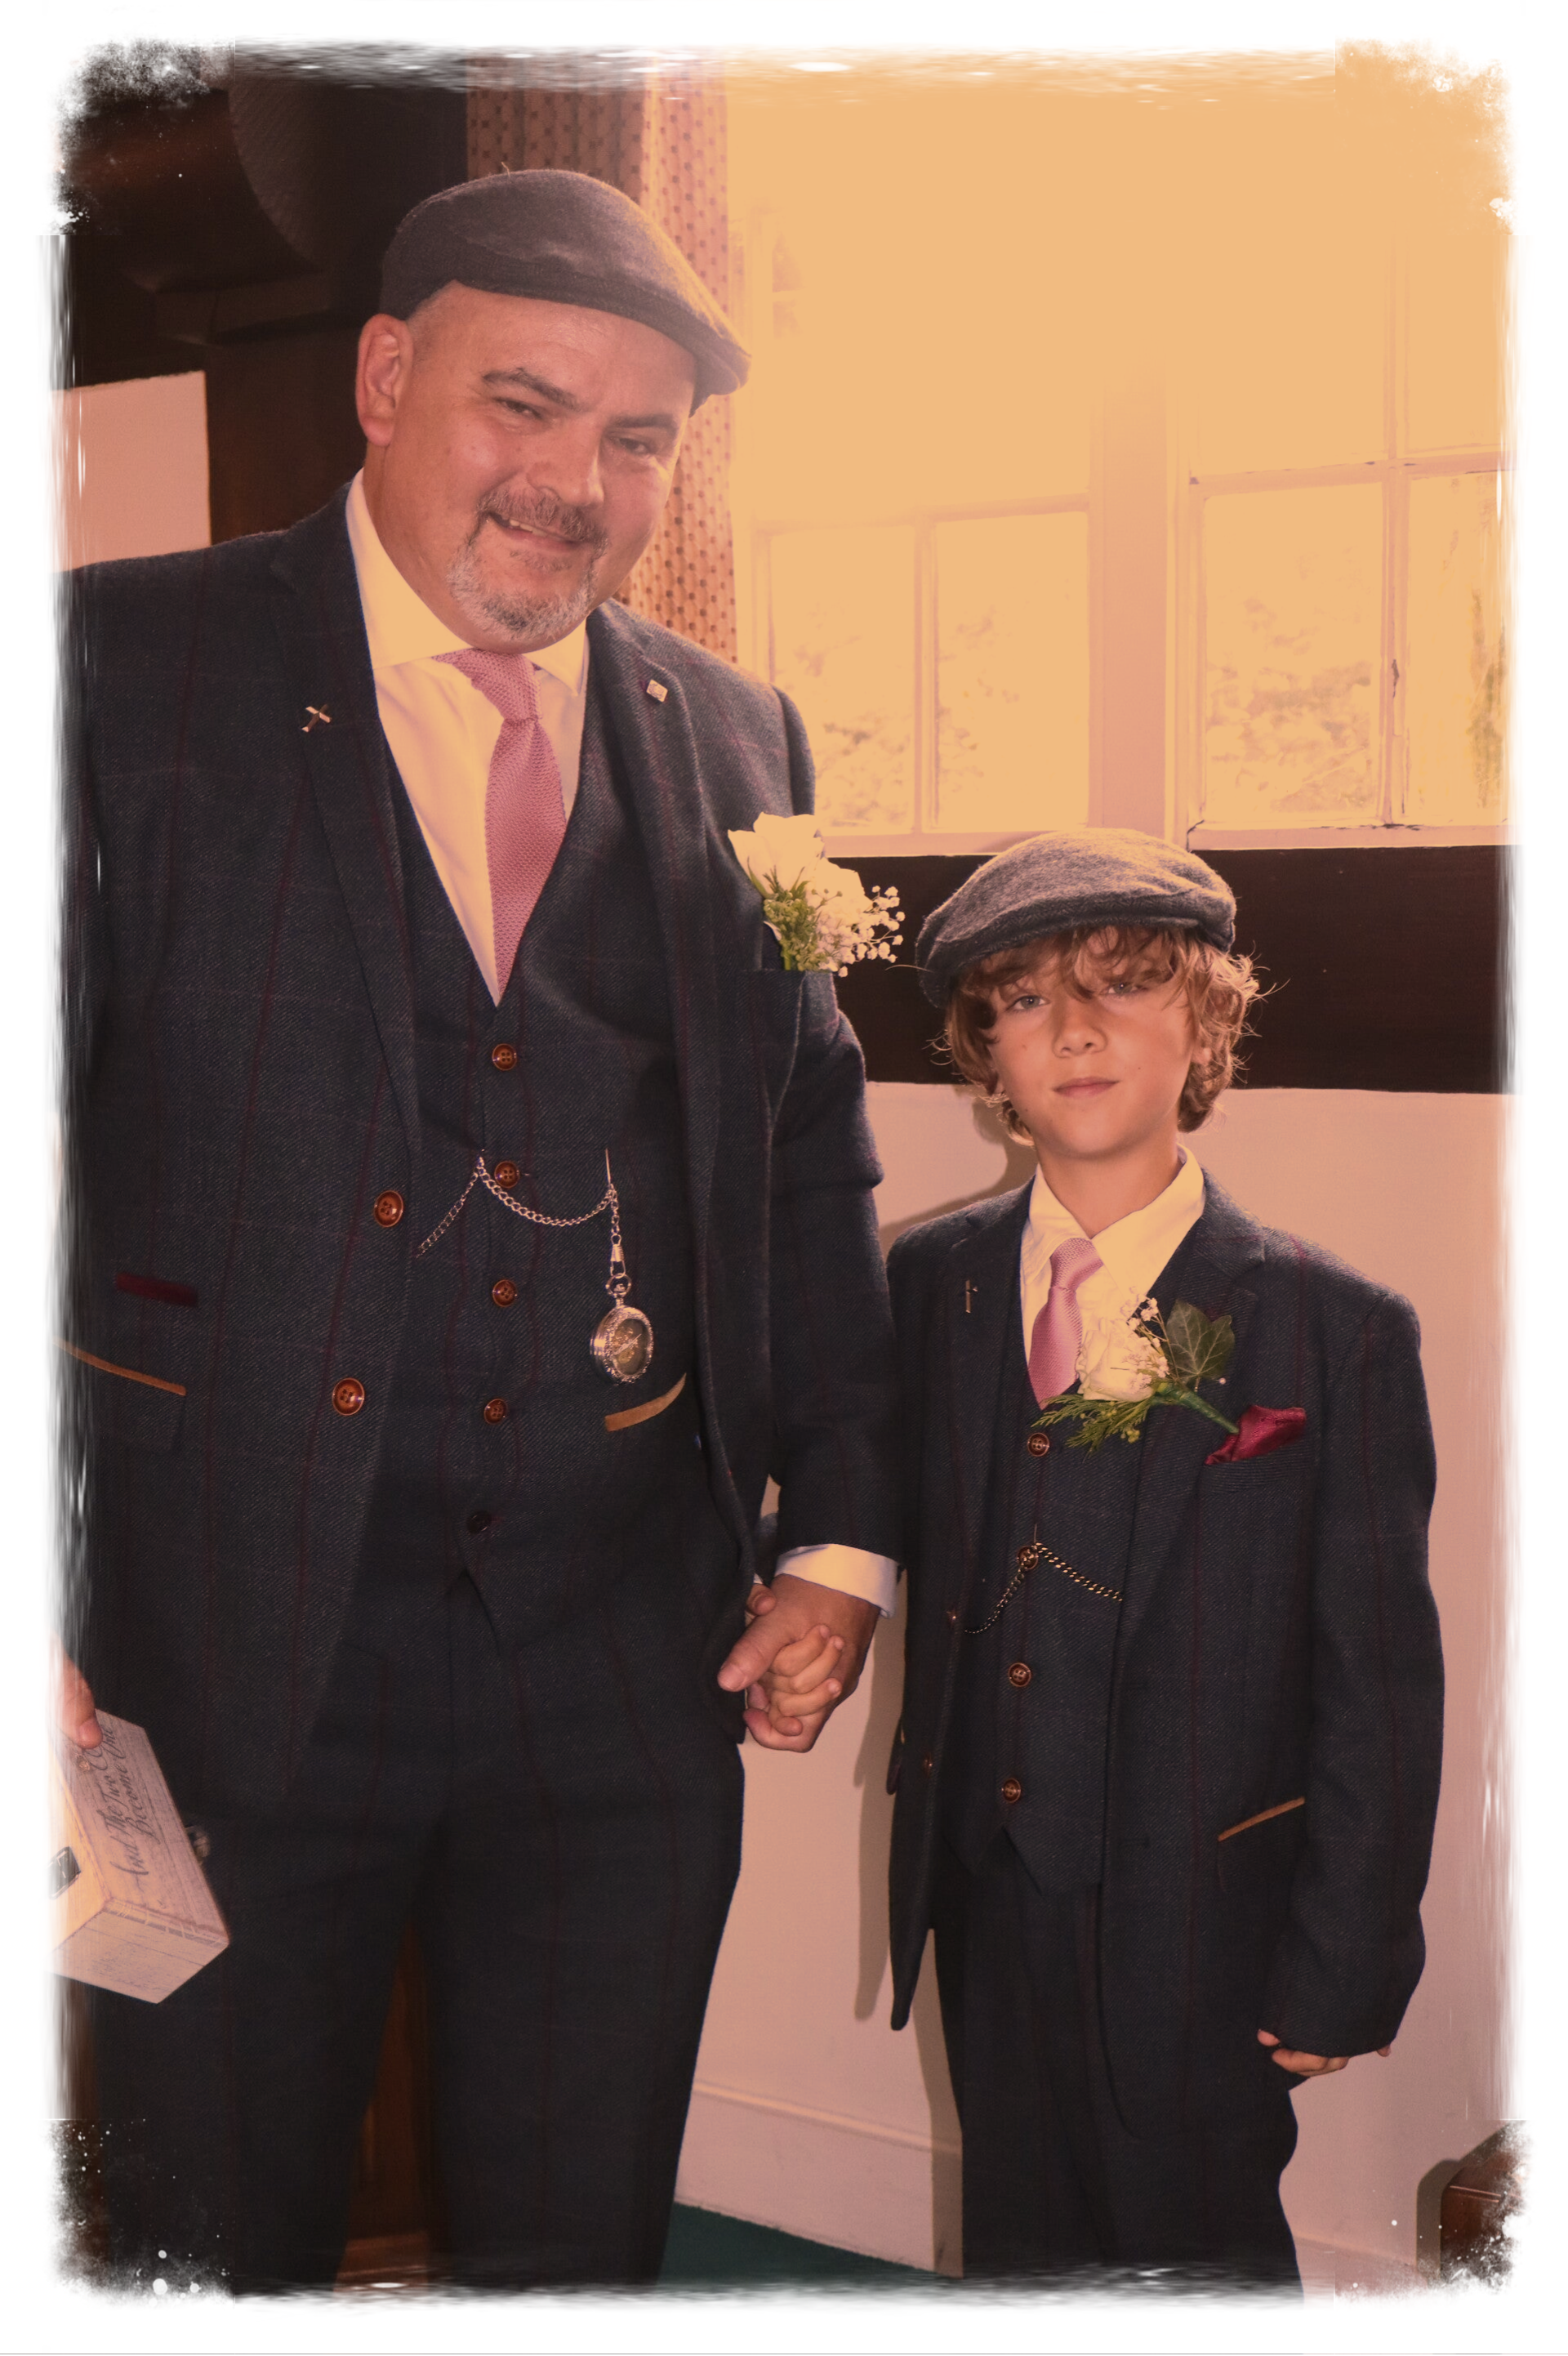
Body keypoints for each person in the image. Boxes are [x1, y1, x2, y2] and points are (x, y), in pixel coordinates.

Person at [57, 168, 900, 2291]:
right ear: (382, 377)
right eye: (522, 403)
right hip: (211, 1644)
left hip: (624, 1662)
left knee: (576, 2245)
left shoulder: (747, 742)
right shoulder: (104, 665)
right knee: (200, 2239)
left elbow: (807, 1144)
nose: (573, 483)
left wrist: (841, 1531)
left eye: (637, 437)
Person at [871, 829, 1443, 2287]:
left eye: (1122, 985)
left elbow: (1379, 1681)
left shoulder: (1336, 1329)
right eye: (1022, 999)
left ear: (1207, 1026)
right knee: (1019, 2254)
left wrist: (1350, 1953)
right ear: (985, 1057)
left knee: (1196, 2263)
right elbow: (872, 1508)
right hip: (987, 1885)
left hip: (1210, 1918)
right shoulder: (927, 1284)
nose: (1073, 1031)